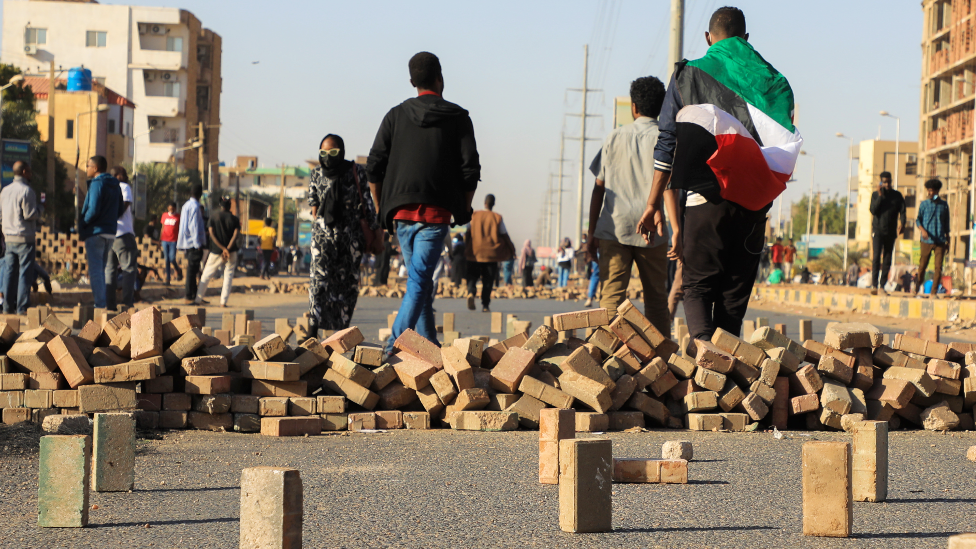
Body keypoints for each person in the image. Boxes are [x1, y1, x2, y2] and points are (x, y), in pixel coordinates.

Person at [638, 6, 802, 343]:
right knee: (733, 294)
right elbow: (780, 140)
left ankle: (705, 363)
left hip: (705, 198)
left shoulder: (689, 74)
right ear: (745, 38)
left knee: (698, 285)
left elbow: (667, 142)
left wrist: (652, 203)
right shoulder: (776, 82)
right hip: (755, 203)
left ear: (708, 38)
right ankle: (726, 369)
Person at [367, 51, 480, 350]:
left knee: (420, 281)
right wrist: (465, 207)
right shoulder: (458, 117)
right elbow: (470, 169)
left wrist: (380, 209)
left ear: (411, 81)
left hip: (400, 214)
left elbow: (374, 165)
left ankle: (429, 345)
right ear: (440, 78)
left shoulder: (395, 115)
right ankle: (392, 347)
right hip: (435, 216)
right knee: (418, 282)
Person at [584, 75, 669, 331]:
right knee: (656, 300)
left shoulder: (613, 138)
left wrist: (591, 233)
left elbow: (598, 189)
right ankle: (661, 362)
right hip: (653, 232)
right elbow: (672, 190)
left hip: (614, 228)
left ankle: (604, 358)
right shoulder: (665, 140)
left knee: (611, 298)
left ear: (634, 107)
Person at [308, 134, 381, 334]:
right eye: (323, 152)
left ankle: (341, 331)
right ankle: (312, 330)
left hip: (350, 238)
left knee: (347, 284)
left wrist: (376, 233)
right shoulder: (316, 173)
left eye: (333, 152)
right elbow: (313, 205)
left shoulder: (356, 171)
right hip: (323, 239)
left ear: (342, 151)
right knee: (319, 281)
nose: (328, 156)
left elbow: (368, 203)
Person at [79, 155, 124, 310]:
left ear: (96, 168)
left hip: (96, 232)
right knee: (103, 269)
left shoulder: (97, 184)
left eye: (88, 166)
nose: (87, 169)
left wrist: (83, 223)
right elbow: (120, 209)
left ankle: (100, 305)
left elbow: (93, 209)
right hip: (110, 232)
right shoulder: (115, 184)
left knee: (96, 271)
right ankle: (103, 304)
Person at [465, 194, 515, 312]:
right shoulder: (497, 217)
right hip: (491, 255)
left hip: (474, 253)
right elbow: (504, 235)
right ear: (493, 204)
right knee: (488, 280)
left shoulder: (474, 215)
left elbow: (467, 232)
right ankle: (485, 305)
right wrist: (512, 249)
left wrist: (467, 248)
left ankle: (471, 292)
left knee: (472, 276)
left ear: (484, 203)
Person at [0, 161, 38, 315]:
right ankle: (22, 308)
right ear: (23, 172)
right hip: (25, 238)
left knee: (9, 273)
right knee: (24, 273)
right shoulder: (27, 191)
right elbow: (29, 214)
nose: (30, 174)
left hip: (9, 237)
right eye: (29, 171)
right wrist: (41, 209)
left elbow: (1, 216)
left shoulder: (4, 191)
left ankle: (8, 308)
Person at [195, 197, 240, 307]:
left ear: (220, 205)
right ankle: (223, 302)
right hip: (231, 251)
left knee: (206, 274)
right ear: (229, 206)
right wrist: (227, 249)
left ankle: (198, 299)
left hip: (216, 251)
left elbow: (211, 233)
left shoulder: (213, 217)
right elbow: (236, 234)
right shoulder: (234, 219)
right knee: (228, 275)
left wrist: (222, 248)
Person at [868, 171, 906, 295]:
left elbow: (903, 211)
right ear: (881, 182)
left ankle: (881, 286)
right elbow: (873, 210)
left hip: (890, 232)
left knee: (887, 259)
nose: (887, 184)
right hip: (878, 231)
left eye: (888, 181)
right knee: (876, 258)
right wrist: (880, 195)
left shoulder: (897, 196)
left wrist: (903, 223)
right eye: (884, 182)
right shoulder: (875, 195)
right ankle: (874, 284)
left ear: (891, 181)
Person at [106, 166, 137, 311]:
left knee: (110, 270)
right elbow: (125, 204)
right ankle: (127, 304)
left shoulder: (105, 188)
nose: (126, 177)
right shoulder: (124, 187)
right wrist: (114, 216)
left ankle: (110, 306)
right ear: (117, 176)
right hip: (123, 234)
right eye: (124, 174)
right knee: (128, 269)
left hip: (108, 235)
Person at [916, 178, 950, 298]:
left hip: (940, 240)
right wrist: (923, 230)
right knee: (922, 266)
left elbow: (947, 224)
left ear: (937, 191)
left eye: (932, 191)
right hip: (926, 240)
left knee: (938, 268)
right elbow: (917, 220)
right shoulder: (924, 204)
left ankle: (933, 293)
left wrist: (948, 240)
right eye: (928, 191)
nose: (930, 193)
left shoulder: (944, 205)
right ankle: (916, 289)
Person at [177, 184, 206, 305]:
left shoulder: (186, 205)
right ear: (200, 194)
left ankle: (194, 296)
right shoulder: (195, 207)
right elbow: (193, 226)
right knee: (192, 270)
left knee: (193, 270)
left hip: (187, 242)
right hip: (193, 243)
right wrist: (197, 243)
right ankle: (189, 296)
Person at [160, 202, 183, 285]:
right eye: (169, 208)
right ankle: (168, 279)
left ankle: (178, 270)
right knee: (167, 260)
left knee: (172, 258)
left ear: (175, 208)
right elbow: (162, 227)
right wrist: (160, 239)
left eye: (172, 208)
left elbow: (181, 229)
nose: (171, 210)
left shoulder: (178, 217)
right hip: (164, 240)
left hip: (173, 240)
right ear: (167, 208)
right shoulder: (164, 215)